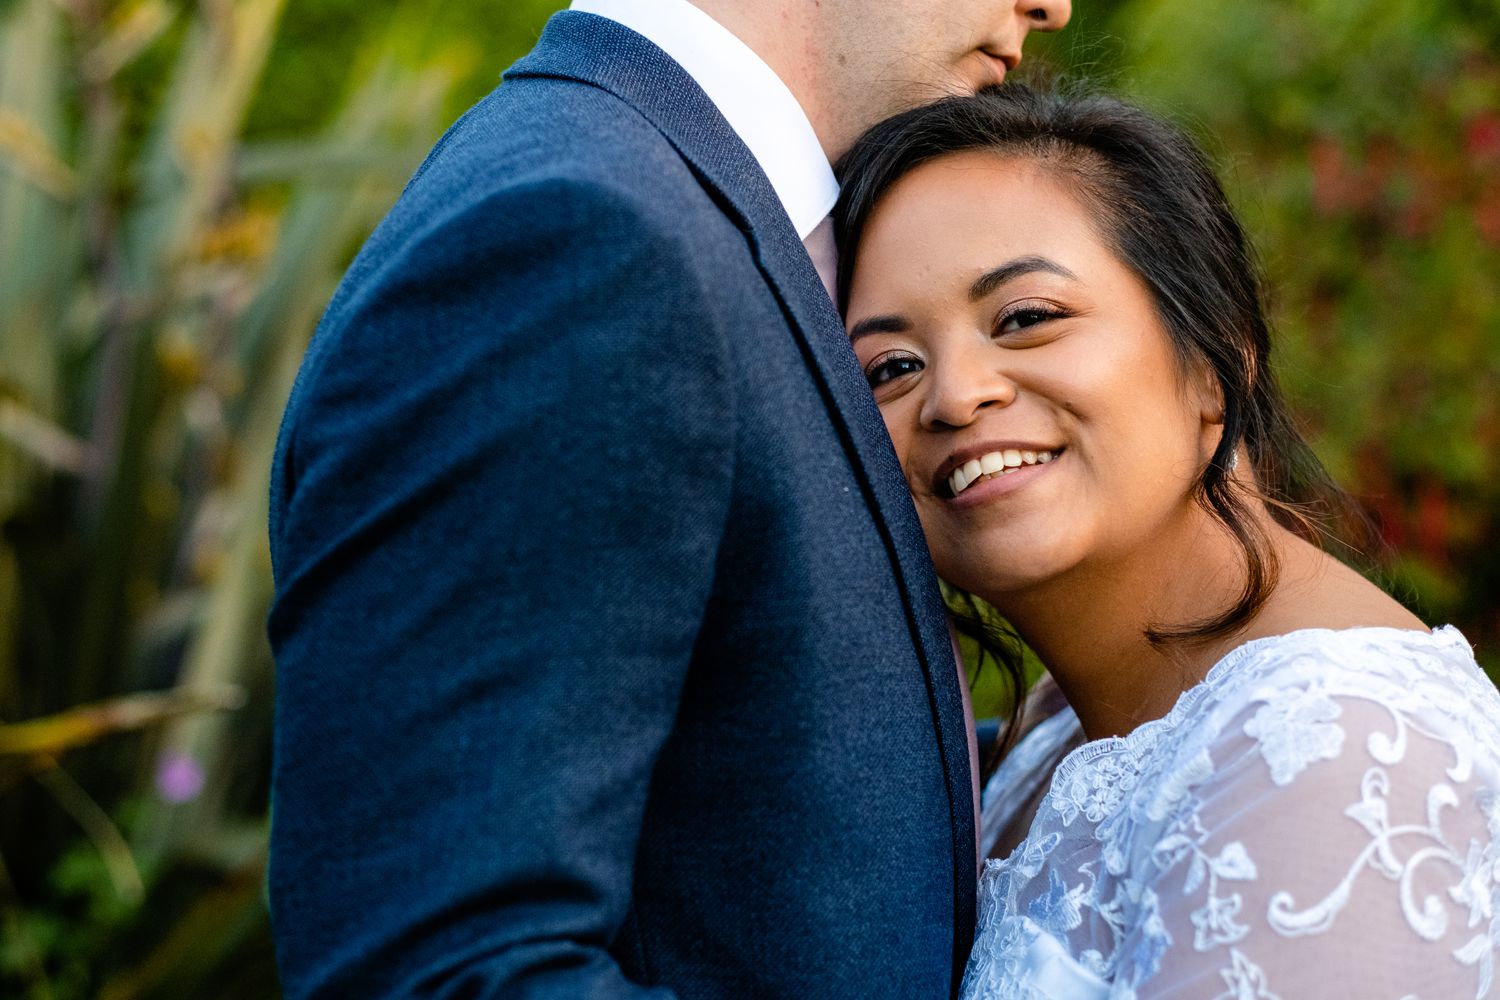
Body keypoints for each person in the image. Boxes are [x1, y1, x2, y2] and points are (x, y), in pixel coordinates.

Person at [266, 1, 1071, 998]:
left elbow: (763, 788)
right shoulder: (572, 239)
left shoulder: (702, 211)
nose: (1053, 6)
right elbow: (443, 970)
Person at [836, 85, 1500, 999]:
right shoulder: (1055, 730)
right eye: (891, 368)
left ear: (1215, 356)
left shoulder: (1332, 759)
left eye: (1026, 317)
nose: (955, 395)